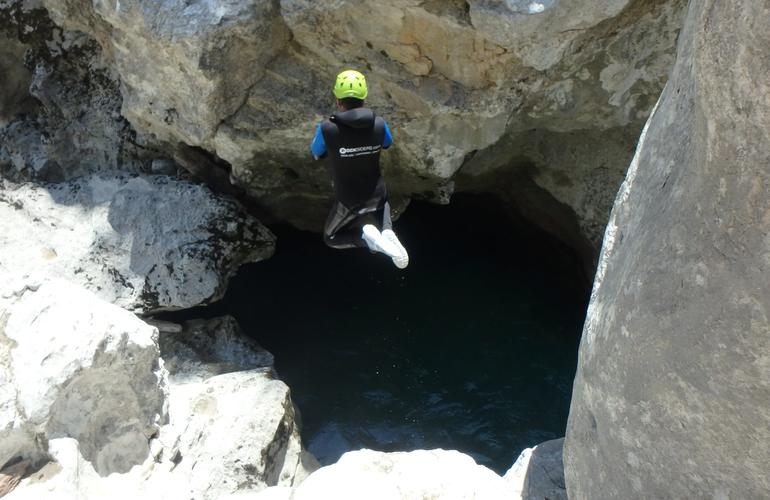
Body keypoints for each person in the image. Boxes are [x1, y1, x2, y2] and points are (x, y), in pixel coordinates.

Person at [310, 69, 409, 269]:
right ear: (364, 99)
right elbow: (387, 143)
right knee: (383, 204)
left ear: (338, 100)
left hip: (348, 200)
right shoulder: (380, 124)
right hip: (378, 195)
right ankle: (387, 231)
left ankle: (367, 240)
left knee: (331, 237)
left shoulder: (327, 128)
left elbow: (316, 152)